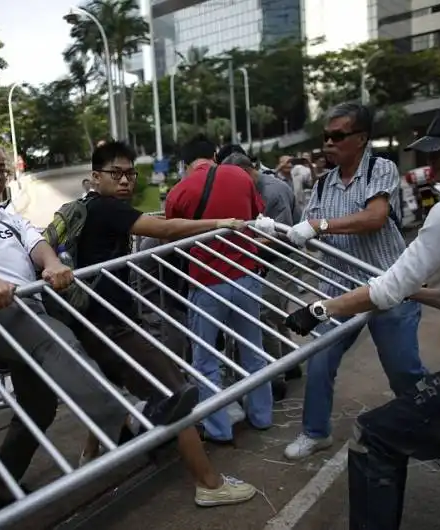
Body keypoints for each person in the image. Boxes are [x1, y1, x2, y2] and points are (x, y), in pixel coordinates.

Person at [284, 100, 440, 530]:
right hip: (360, 290)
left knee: (379, 421)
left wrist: (319, 308)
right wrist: (422, 294)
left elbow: (385, 272)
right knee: (321, 362)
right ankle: (316, 431)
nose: (431, 161)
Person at [0, 141, 194, 513]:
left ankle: (2, 487)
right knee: (61, 342)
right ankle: (122, 428)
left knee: (39, 406)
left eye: (1, 168)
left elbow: (39, 245)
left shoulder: (9, 216)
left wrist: (51, 264)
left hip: (30, 313)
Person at [259, 102, 440, 469]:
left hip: (390, 286)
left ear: (361, 138)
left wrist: (320, 226)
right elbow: (307, 230)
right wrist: (273, 231)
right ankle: (315, 431)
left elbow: (374, 217)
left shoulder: (379, 168)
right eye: (326, 136)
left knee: (404, 370)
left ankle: (439, 438)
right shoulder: (323, 183)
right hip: (339, 289)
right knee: (320, 360)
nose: (328, 142)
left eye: (338, 135)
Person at [68, 140, 258, 507]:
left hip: (98, 323)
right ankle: (209, 483)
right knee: (174, 393)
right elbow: (167, 230)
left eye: (129, 173)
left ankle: (92, 454)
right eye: (115, 174)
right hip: (114, 327)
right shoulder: (108, 209)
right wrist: (220, 223)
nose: (125, 181)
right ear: (95, 177)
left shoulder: (90, 208)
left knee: (118, 387)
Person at [166, 135, 273, 445]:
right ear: (214, 155)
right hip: (246, 278)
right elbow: (256, 216)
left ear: (185, 164)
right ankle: (262, 417)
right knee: (253, 351)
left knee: (205, 361)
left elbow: (171, 238)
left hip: (206, 286)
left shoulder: (179, 192)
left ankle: (218, 430)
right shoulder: (240, 175)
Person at [220, 151, 302, 398]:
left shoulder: (274, 191)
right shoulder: (248, 189)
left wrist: (242, 244)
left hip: (286, 258)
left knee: (265, 309)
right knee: (275, 314)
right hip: (262, 258)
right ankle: (291, 360)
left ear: (246, 172)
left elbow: (282, 236)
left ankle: (275, 376)